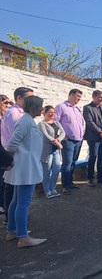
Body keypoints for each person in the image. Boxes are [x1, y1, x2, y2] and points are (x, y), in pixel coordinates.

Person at [5, 95, 47, 248]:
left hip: (23, 167)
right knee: (23, 203)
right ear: (32, 107)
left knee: (16, 201)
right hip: (25, 168)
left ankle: (12, 231)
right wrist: (9, 160)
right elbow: (12, 144)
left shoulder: (27, 121)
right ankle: (23, 237)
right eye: (40, 106)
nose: (42, 109)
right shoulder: (25, 121)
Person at [1, 87, 34, 224]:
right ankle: (12, 220)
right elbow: (18, 137)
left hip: (20, 155)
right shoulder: (14, 113)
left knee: (15, 189)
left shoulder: (21, 113)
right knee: (12, 189)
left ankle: (15, 219)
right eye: (28, 98)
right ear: (19, 98)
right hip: (15, 156)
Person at [55, 89, 85, 195]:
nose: (79, 99)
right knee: (67, 163)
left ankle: (70, 182)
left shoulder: (77, 109)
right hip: (68, 140)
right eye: (77, 96)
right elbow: (55, 121)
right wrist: (62, 135)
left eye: (80, 97)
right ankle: (65, 185)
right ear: (71, 95)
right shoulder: (61, 107)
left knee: (73, 162)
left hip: (78, 140)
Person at [83, 90, 102, 187]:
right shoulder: (87, 108)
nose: (101, 99)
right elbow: (90, 122)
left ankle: (101, 176)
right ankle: (90, 178)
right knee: (93, 156)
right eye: (99, 97)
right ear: (94, 97)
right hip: (93, 137)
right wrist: (100, 131)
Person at [39, 106, 66, 199]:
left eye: (53, 112)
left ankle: (53, 188)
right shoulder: (42, 124)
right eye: (49, 112)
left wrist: (57, 140)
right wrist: (57, 143)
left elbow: (63, 133)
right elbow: (46, 136)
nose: (52, 114)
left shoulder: (56, 123)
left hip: (56, 151)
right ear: (44, 113)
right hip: (47, 152)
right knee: (46, 172)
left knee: (56, 170)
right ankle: (47, 190)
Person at [0, 94, 13, 215]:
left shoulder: (5, 119)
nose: (8, 106)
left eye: (10, 103)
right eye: (5, 103)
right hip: (3, 157)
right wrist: (7, 160)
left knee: (4, 185)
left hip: (5, 155)